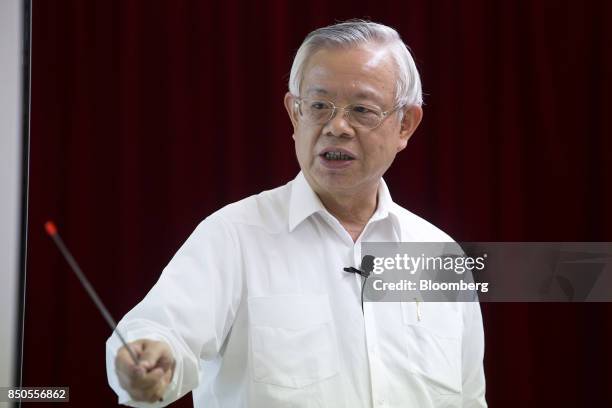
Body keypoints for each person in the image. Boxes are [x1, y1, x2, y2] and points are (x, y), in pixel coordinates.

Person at [106, 20, 486, 407]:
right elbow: (160, 332)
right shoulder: (233, 236)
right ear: (294, 114)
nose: (336, 127)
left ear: (405, 124)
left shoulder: (440, 255)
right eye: (319, 106)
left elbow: (470, 398)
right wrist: (145, 359)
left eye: (361, 110)